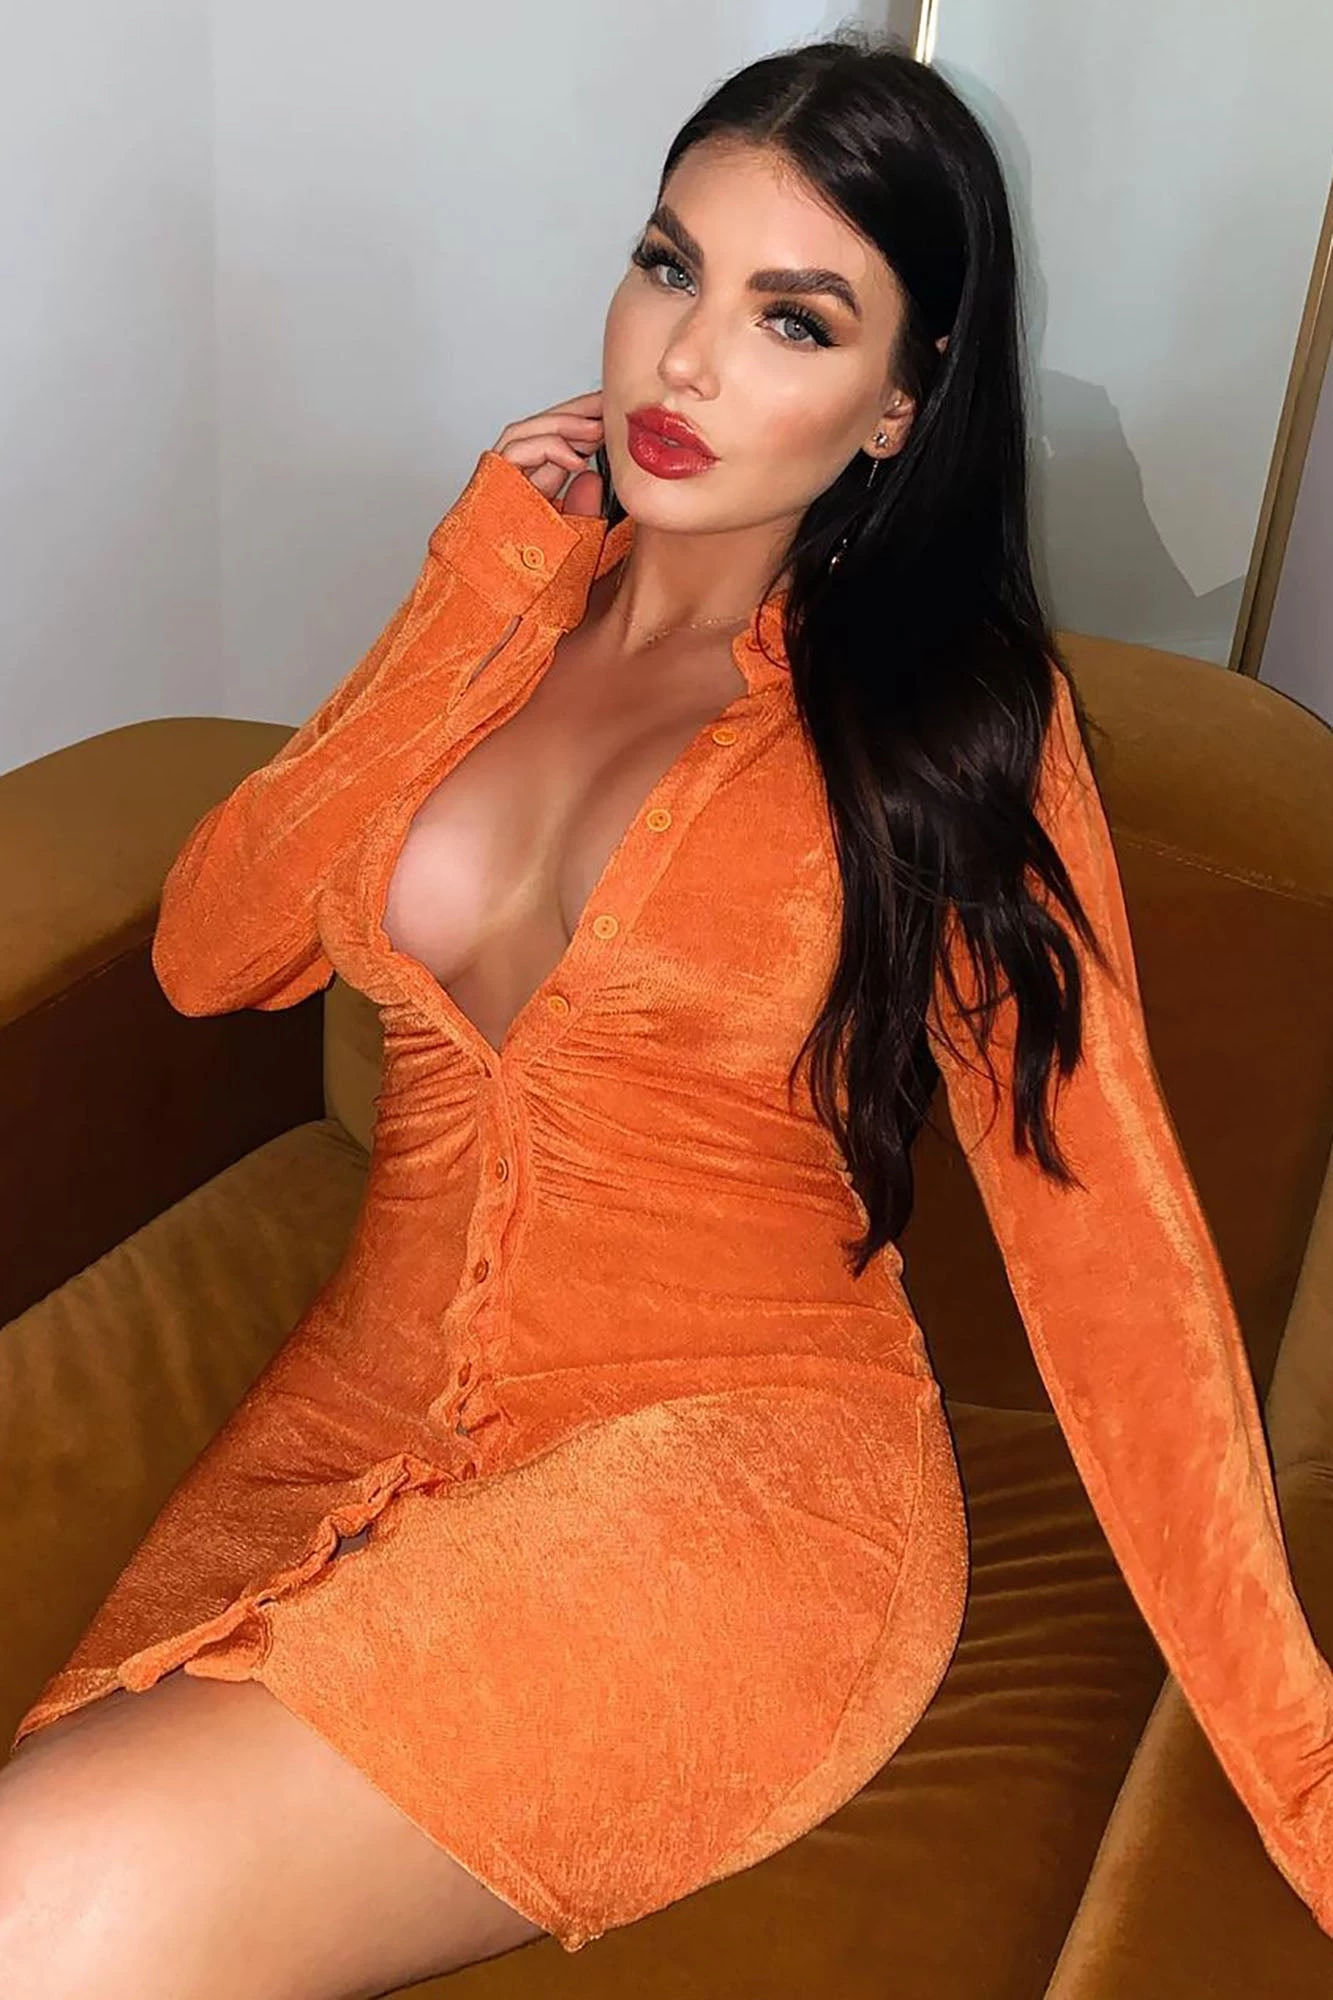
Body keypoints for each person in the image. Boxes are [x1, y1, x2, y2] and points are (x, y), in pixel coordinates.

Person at [3, 28, 1332, 1996]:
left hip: (742, 1483)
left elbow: (1111, 1255)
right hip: (354, 1422)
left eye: (794, 318)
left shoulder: (951, 723)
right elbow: (218, 947)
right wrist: (468, 592)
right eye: (667, 264)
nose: (685, 361)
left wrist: (1303, 1773)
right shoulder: (505, 601)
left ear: (901, 399)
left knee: (45, 1894)